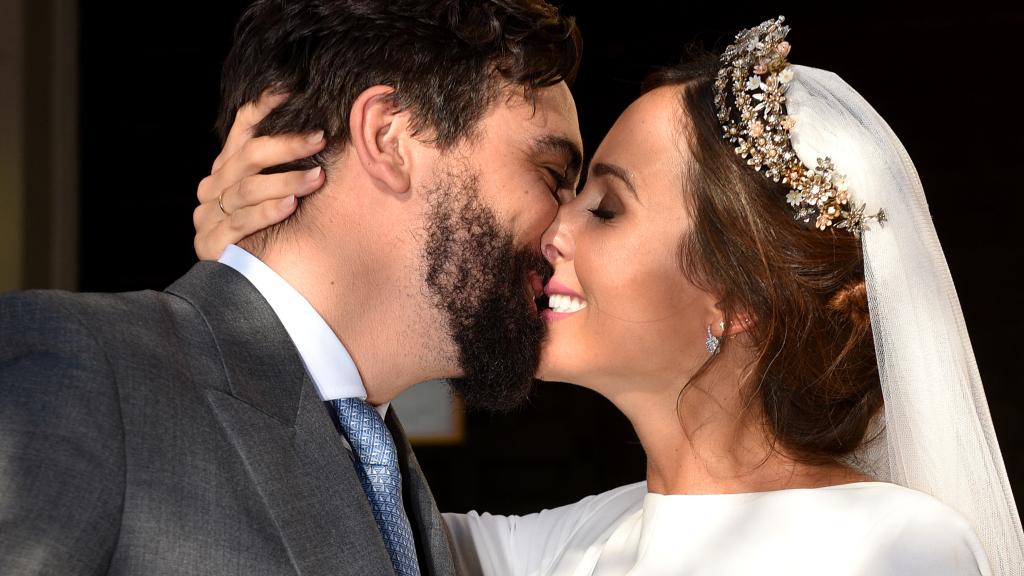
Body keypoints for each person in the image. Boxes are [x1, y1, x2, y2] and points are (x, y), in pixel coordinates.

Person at [195, 16, 1024, 576]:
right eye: (565, 189)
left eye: (606, 205)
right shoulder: (565, 546)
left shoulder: (887, 547)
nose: (554, 230)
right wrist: (264, 264)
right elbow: (318, 510)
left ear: (735, 296)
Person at [0, 1, 582, 574]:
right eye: (553, 176)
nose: (568, 229)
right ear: (388, 138)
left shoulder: (393, 481)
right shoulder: (79, 365)